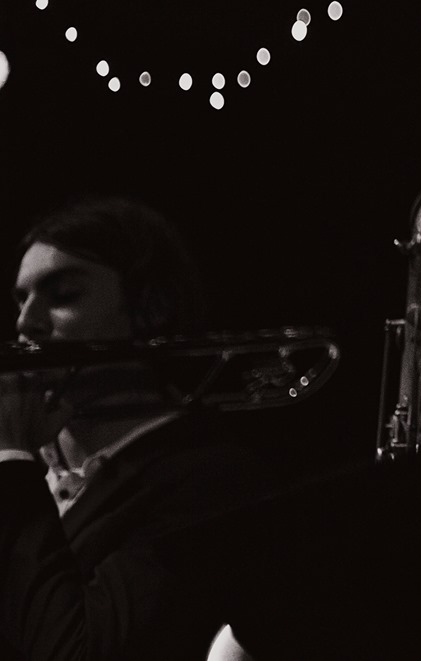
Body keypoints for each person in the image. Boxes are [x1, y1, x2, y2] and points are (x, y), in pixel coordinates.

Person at [0, 197, 276, 661]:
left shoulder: (210, 480)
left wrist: (9, 458)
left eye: (63, 295)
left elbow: (78, 652)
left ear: (152, 306)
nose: (27, 323)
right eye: (21, 300)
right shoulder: (28, 461)